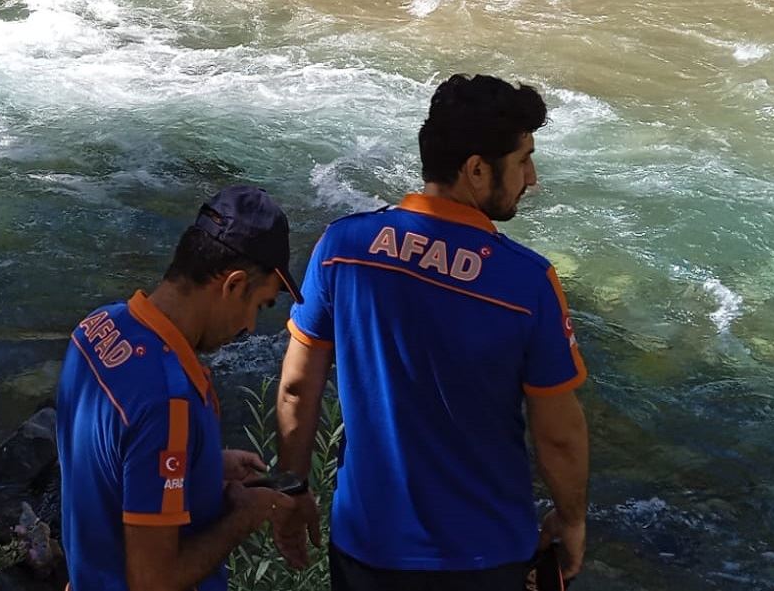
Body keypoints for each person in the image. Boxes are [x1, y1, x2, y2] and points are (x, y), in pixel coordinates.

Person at [275, 75, 590, 590]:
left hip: (365, 551)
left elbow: (296, 387)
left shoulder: (342, 248)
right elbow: (558, 435)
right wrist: (572, 520)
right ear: (476, 169)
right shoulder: (527, 283)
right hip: (483, 559)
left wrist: (291, 490)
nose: (532, 179)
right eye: (523, 160)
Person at [56, 186, 312, 591]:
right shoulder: (169, 401)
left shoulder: (98, 328)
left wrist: (202, 465)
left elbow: (115, 461)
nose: (249, 327)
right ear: (233, 285)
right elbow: (153, 581)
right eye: (259, 306)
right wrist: (247, 515)